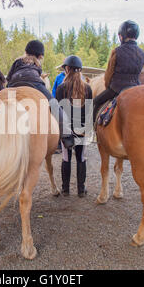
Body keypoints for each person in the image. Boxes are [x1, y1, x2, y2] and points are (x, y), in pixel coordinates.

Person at [7, 40, 74, 149]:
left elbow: (8, 77)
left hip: (14, 84)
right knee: (55, 105)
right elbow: (38, 76)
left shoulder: (17, 61)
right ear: (40, 55)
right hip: (34, 83)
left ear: (26, 51)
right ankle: (67, 137)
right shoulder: (37, 63)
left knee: (0, 103)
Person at [93, 20, 144, 121]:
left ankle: (90, 130)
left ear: (121, 36)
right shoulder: (142, 53)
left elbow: (109, 74)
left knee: (95, 101)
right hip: (136, 88)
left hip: (116, 88)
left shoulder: (117, 51)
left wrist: (108, 86)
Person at [55, 55, 92, 197]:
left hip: (66, 130)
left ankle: (65, 190)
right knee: (81, 158)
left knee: (66, 157)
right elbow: (89, 112)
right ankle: (81, 190)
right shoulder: (87, 88)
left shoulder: (61, 88)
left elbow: (58, 112)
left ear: (67, 69)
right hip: (82, 129)